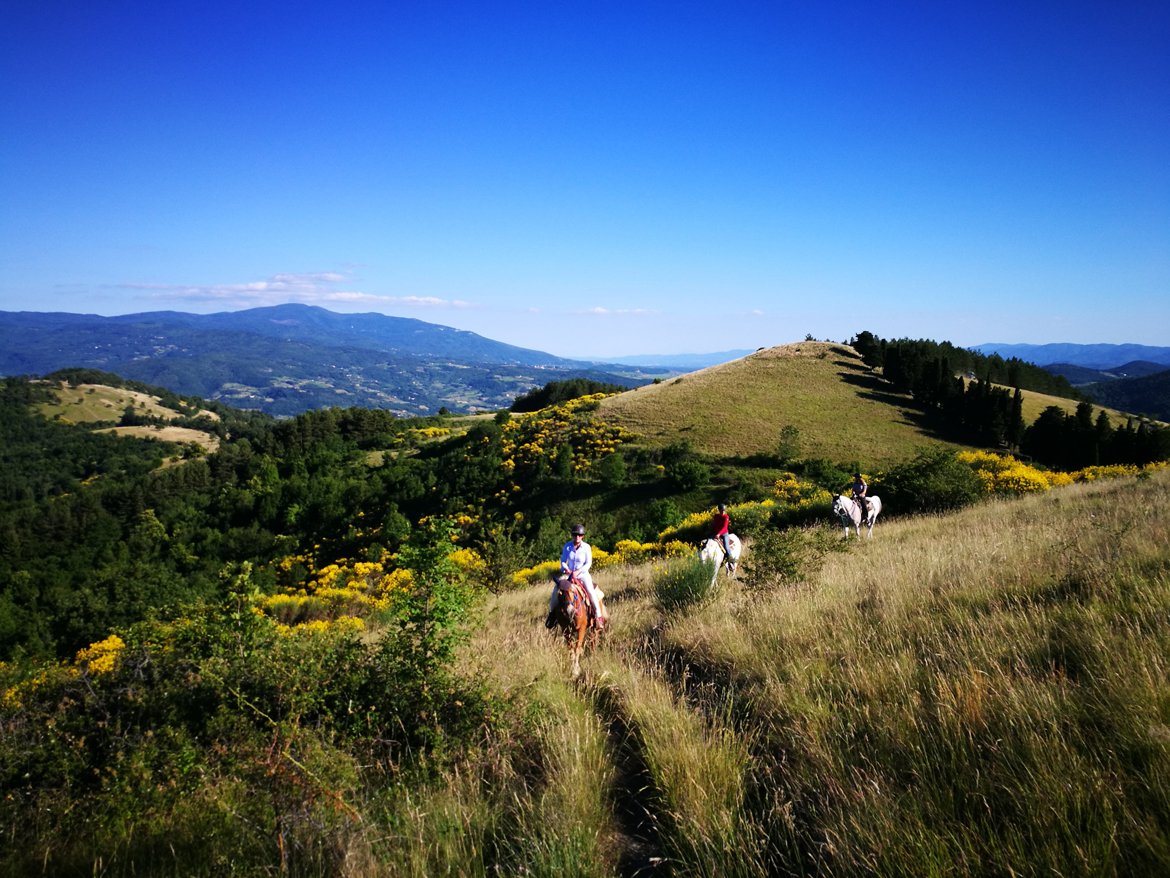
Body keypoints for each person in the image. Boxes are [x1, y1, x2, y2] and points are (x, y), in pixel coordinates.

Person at [547, 524, 604, 630]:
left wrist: (578, 571)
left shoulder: (586, 547)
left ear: (582, 536)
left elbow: (588, 563)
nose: (577, 537)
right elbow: (563, 561)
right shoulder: (567, 546)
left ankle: (598, 617)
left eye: (579, 535)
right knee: (555, 591)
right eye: (575, 535)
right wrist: (566, 568)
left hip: (582, 574)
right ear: (572, 536)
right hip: (568, 574)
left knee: (591, 592)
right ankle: (551, 615)